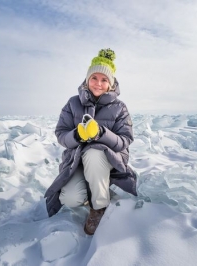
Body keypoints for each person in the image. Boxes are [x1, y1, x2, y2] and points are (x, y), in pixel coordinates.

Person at [44, 48, 138, 235]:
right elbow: (61, 134)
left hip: (109, 159)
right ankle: (92, 189)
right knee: (70, 198)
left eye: (104, 80)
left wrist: (101, 133)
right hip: (76, 159)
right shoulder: (72, 103)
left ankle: (99, 206)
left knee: (94, 153)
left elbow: (124, 140)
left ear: (110, 84)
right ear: (87, 79)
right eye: (94, 78)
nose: (98, 83)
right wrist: (77, 136)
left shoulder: (120, 108)